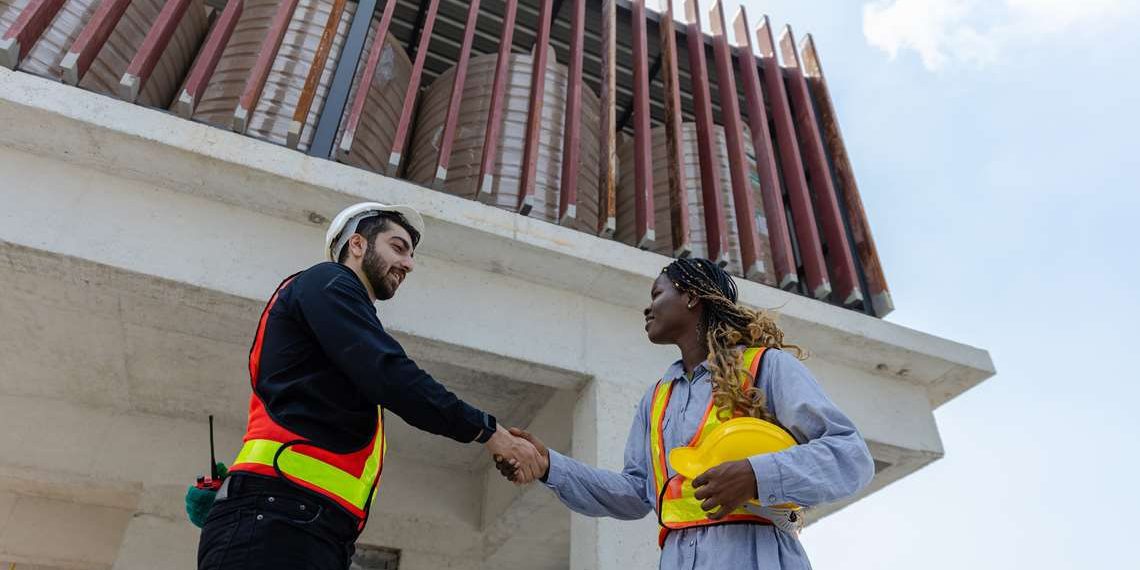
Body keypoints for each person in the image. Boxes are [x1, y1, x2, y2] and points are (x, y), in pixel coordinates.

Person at [197, 202, 543, 570]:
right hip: (277, 517)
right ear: (358, 245)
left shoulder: (339, 324)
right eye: (397, 247)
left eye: (411, 255)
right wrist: (492, 434)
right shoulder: (327, 280)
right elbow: (391, 376)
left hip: (307, 525)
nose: (409, 264)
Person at [497, 258, 875, 569]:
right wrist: (550, 466)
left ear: (692, 297)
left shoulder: (765, 367)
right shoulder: (656, 400)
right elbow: (634, 493)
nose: (647, 307)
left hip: (757, 555)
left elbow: (852, 458)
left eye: (657, 294)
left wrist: (756, 476)